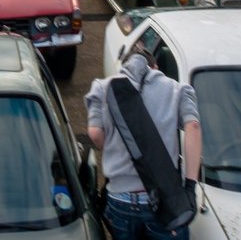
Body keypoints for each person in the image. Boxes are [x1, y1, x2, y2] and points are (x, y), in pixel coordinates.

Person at [86, 47, 201, 240]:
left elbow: (96, 134)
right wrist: (190, 186)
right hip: (165, 201)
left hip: (119, 198)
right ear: (155, 66)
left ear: (123, 67)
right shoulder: (178, 89)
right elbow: (194, 126)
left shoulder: (102, 88)